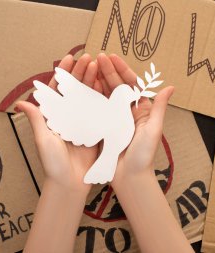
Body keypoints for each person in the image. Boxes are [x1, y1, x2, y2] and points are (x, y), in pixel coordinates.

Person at [16, 53, 194, 253]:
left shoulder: (116, 113)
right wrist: (135, 178)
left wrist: (64, 187)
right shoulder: (112, 113)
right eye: (128, 95)